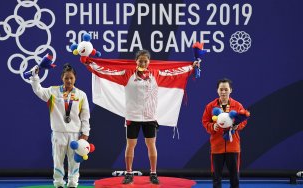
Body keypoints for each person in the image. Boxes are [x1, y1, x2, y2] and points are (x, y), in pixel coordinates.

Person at [82, 50, 198, 185]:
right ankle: (129, 173)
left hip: (150, 117)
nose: (143, 63)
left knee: (151, 144)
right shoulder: (127, 74)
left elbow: (175, 72)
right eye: (140, 60)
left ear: (149, 62)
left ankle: (153, 173)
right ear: (136, 61)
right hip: (132, 116)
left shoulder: (156, 74)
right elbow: (108, 71)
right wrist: (89, 63)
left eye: (145, 60)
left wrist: (191, 66)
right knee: (131, 145)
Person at [29, 63, 91, 188]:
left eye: (71, 78)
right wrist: (35, 77)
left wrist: (85, 133)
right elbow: (38, 90)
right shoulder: (53, 91)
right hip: (58, 132)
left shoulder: (81, 95)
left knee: (74, 161)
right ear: (62, 78)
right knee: (58, 160)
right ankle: (58, 184)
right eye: (66, 78)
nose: (69, 80)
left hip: (75, 133)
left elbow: (85, 115)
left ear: (75, 79)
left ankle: (73, 183)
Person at [202, 78, 248, 188]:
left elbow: (244, 120)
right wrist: (213, 126)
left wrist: (237, 126)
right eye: (221, 89)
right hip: (217, 146)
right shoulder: (210, 106)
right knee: (216, 178)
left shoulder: (237, 106)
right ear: (217, 90)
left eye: (226, 89)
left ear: (230, 90)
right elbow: (205, 122)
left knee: (234, 177)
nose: (223, 92)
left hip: (233, 146)